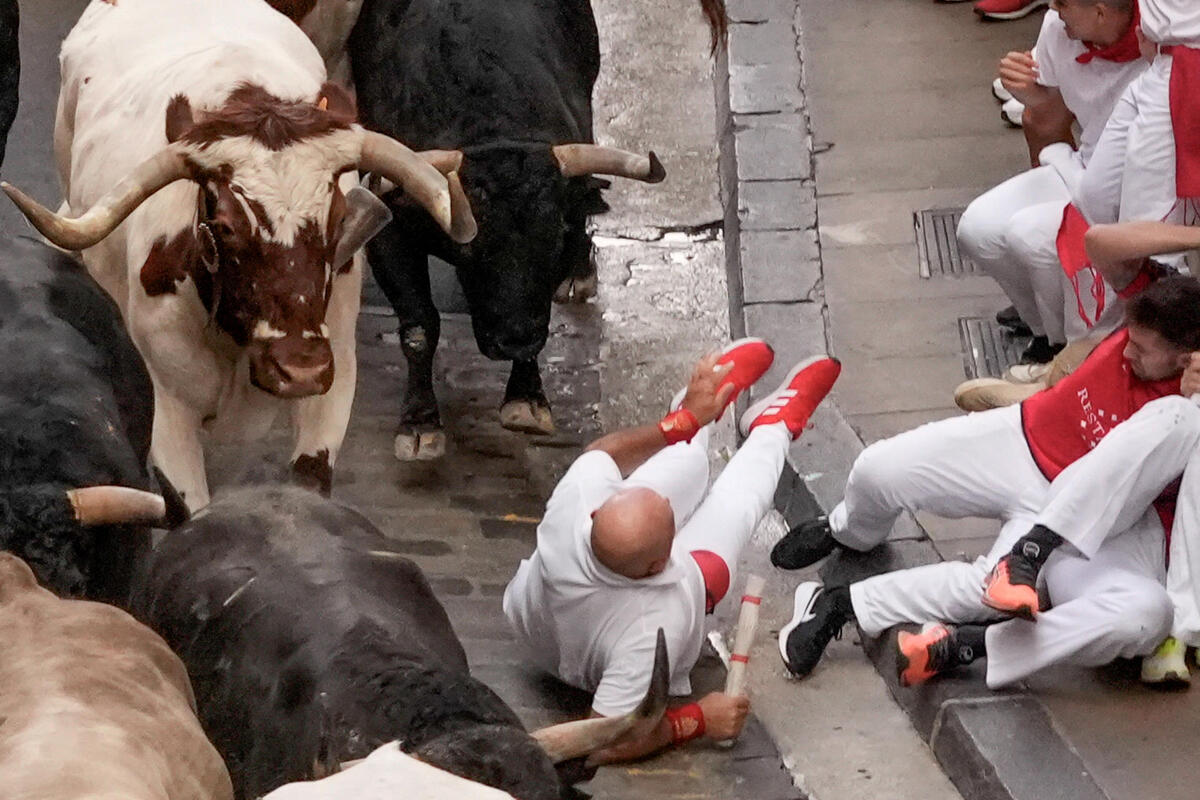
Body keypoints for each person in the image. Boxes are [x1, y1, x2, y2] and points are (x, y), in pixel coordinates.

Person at [770, 276, 1200, 689]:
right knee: (876, 469)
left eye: (1141, 350)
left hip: (1080, 519)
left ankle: (839, 605)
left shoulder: (1187, 409)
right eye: (1128, 340)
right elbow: (1107, 243)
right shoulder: (1141, 314)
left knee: (995, 594)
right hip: (1021, 440)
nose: (1126, 353)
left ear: (1184, 357)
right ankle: (847, 530)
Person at [503, 340, 841, 762]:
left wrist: (678, 425)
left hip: (537, 620)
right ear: (660, 563)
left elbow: (601, 455)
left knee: (685, 462)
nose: (672, 506)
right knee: (732, 515)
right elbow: (606, 739)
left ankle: (701, 402)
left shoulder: (573, 507)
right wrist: (696, 719)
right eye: (672, 523)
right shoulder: (651, 630)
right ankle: (776, 424)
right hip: (590, 666)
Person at [957, 0, 1146, 368]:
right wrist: (1033, 97)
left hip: (1137, 191)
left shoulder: (1160, 45)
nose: (1052, 8)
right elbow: (1047, 117)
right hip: (1083, 168)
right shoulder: (1058, 28)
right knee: (977, 228)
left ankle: (1070, 352)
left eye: (1062, 3)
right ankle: (1045, 329)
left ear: (1101, 12)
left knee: (1031, 235)